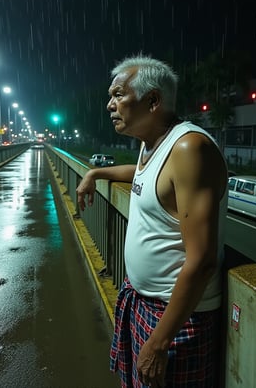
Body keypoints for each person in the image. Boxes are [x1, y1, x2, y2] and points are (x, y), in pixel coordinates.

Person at [76, 55, 228, 388]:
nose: (109, 105)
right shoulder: (153, 147)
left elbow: (202, 261)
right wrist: (96, 172)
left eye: (118, 95)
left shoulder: (189, 148)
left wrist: (159, 343)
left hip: (175, 318)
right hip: (142, 301)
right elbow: (146, 175)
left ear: (153, 100)